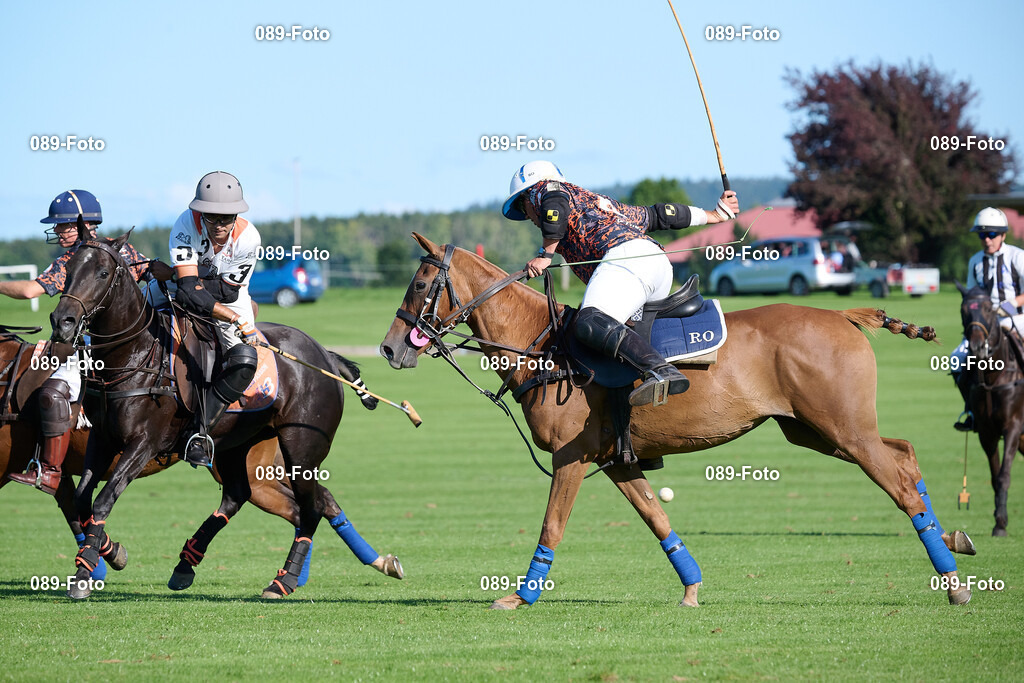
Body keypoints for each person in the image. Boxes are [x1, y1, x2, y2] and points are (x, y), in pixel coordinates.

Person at [503, 161, 739, 406]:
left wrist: (545, 255)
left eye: (522, 205)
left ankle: (660, 371)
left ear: (531, 197)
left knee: (590, 321)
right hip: (656, 266)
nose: (527, 216)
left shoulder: (547, 190)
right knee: (603, 332)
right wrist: (714, 215)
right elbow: (660, 215)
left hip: (628, 261)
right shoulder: (601, 204)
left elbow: (554, 204)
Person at [1, 190, 151, 495]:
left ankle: (51, 471)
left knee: (53, 392)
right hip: (129, 350)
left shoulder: (75, 259)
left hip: (92, 350)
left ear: (81, 224)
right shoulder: (119, 250)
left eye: (61, 226)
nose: (56, 232)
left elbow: (31, 290)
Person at [147, 171, 261, 467]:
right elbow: (187, 292)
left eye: (226, 217)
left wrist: (178, 273)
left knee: (245, 360)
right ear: (199, 213)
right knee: (135, 310)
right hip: (184, 288)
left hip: (231, 299)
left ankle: (198, 434)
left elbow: (224, 291)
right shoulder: (185, 224)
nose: (219, 225)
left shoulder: (249, 238)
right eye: (212, 218)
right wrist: (180, 279)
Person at [951, 207, 1024, 431]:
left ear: (1003, 235)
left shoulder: (1017, 257)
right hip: (986, 324)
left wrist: (1009, 306)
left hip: (1018, 318)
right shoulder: (975, 261)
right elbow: (972, 295)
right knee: (956, 360)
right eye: (982, 235)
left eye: (992, 234)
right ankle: (972, 410)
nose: (987, 239)